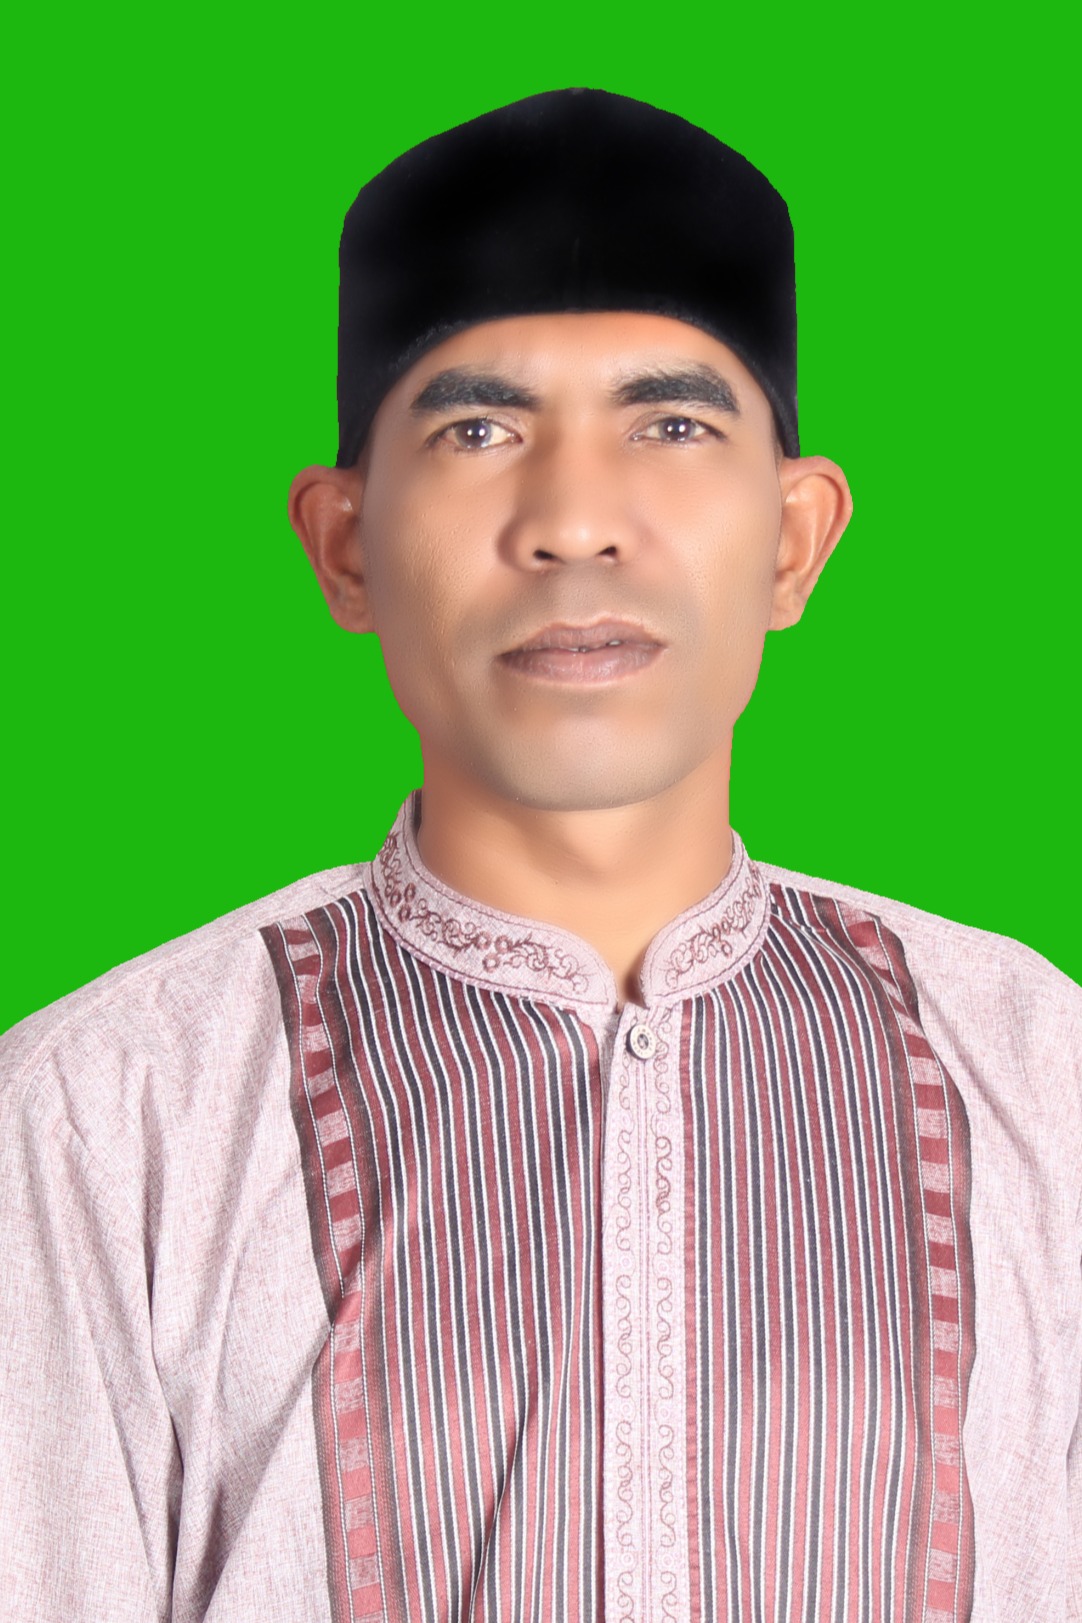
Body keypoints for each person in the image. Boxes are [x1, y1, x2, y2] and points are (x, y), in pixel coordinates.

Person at [1, 88, 1078, 1623]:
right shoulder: (107, 1117)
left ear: (792, 539)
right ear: (346, 544)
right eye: (479, 429)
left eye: (671, 426)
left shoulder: (1032, 1069)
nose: (573, 521)